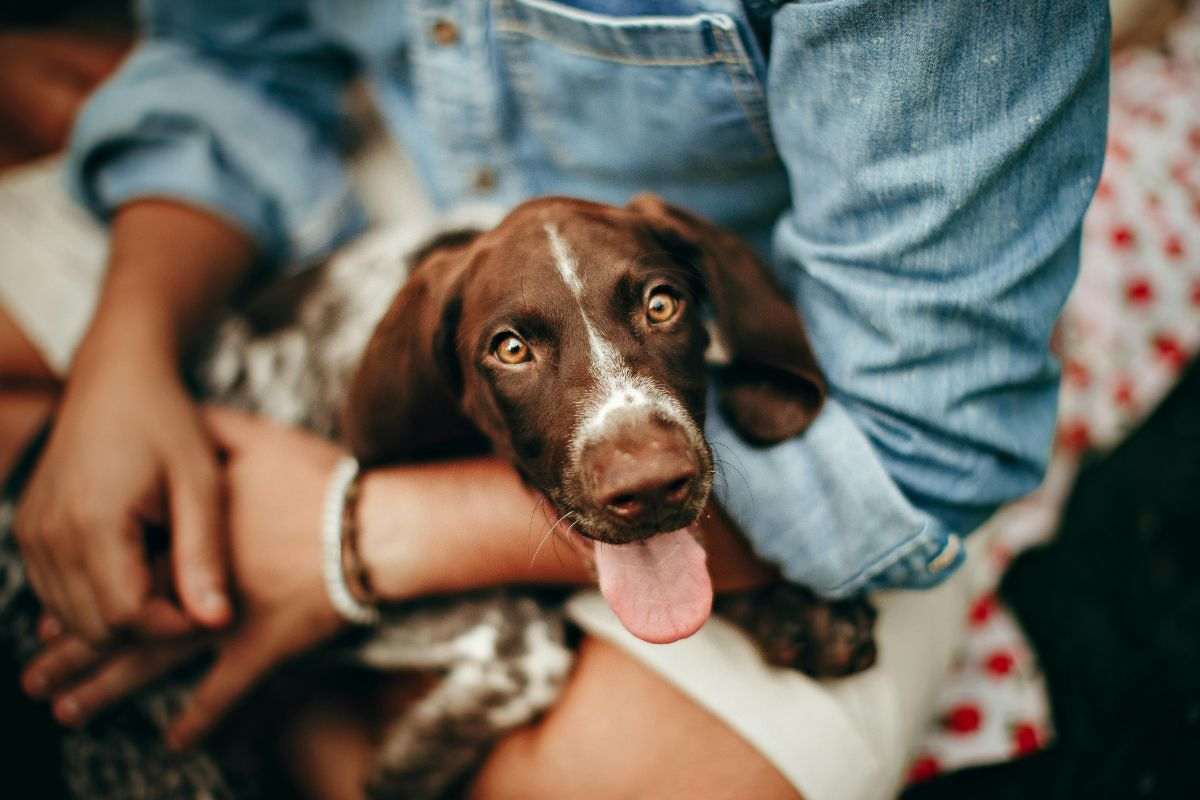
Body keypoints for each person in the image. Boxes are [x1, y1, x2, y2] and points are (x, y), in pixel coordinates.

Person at [2, 1, 1109, 798]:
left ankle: (272, 685)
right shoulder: (416, 327)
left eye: (662, 308)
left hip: (828, 311)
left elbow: (924, 440)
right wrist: (124, 367)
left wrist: (343, 539)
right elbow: (229, 62)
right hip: (383, 205)